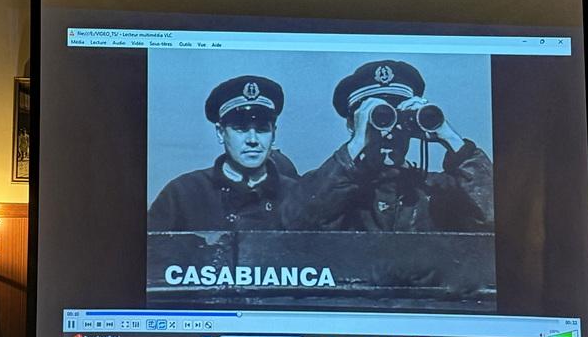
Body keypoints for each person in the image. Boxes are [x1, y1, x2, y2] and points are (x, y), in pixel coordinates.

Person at [283, 60, 493, 231]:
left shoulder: (436, 190)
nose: (389, 132)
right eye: (380, 118)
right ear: (353, 125)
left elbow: (493, 218)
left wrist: (450, 138)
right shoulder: (330, 187)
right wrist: (356, 145)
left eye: (397, 118)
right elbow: (296, 223)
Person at [148, 75, 295, 231]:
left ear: (274, 134)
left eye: (262, 129)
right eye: (241, 129)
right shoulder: (182, 194)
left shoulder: (296, 196)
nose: (252, 140)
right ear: (220, 133)